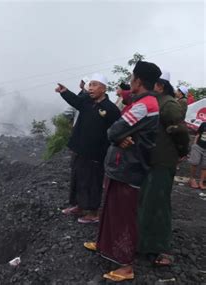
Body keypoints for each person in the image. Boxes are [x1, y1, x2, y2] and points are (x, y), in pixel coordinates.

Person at [83, 61, 161, 282]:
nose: (130, 80)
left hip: (129, 167)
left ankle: (126, 266)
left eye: (132, 76)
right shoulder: (142, 102)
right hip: (121, 165)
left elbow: (114, 129)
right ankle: (104, 245)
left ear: (138, 80)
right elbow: (119, 131)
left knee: (124, 215)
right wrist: (120, 136)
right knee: (110, 208)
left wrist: (118, 136)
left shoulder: (145, 105)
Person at [137, 70, 190, 267]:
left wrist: (182, 151)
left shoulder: (168, 104)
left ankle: (162, 249)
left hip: (162, 160)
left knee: (158, 204)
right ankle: (144, 243)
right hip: (150, 159)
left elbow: (181, 130)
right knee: (146, 201)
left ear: (160, 86)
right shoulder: (153, 102)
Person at [56, 73, 120, 224]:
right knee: (77, 178)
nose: (90, 88)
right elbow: (75, 101)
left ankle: (92, 212)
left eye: (95, 85)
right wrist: (64, 92)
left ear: (104, 88)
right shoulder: (86, 101)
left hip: (96, 153)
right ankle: (79, 205)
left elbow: (117, 129)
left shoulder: (110, 109)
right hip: (80, 148)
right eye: (90, 85)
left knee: (92, 181)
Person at [188, 121, 206, 189]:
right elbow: (198, 134)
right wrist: (194, 145)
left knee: (205, 166)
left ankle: (201, 182)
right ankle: (192, 179)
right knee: (194, 162)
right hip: (198, 146)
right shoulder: (204, 124)